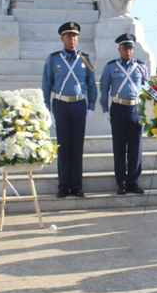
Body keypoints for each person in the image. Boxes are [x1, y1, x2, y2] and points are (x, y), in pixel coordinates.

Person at [42, 22, 97, 198]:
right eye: (68, 36)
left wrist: (91, 106)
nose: (71, 39)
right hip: (60, 105)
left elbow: (91, 86)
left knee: (77, 146)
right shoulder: (54, 59)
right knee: (63, 146)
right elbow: (46, 85)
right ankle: (64, 186)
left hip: (79, 105)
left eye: (74, 36)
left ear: (77, 38)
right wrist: (48, 108)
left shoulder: (85, 59)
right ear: (62, 38)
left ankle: (77, 185)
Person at [99, 33, 149, 195]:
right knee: (119, 147)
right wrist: (105, 110)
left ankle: (133, 181)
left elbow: (148, 90)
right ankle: (121, 182)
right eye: (125, 48)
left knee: (136, 147)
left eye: (130, 48)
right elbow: (104, 90)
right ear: (119, 49)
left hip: (136, 109)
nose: (128, 51)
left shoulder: (141, 67)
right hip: (118, 109)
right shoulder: (110, 67)